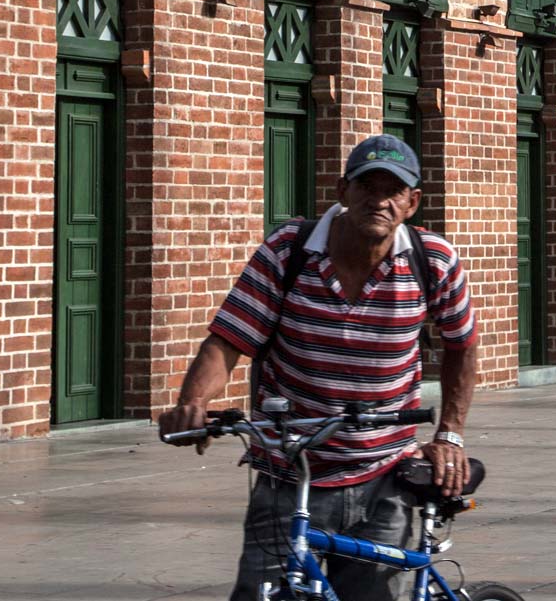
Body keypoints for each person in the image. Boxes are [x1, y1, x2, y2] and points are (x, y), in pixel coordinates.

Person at [159, 136, 479, 601]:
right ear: (342, 191)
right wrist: (193, 403)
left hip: (385, 473)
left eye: (394, 191)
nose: (380, 200)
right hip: (290, 470)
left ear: (412, 203)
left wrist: (449, 432)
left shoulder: (434, 262)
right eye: (368, 187)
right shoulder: (287, 251)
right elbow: (230, 339)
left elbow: (462, 345)